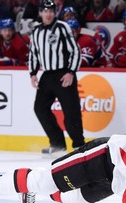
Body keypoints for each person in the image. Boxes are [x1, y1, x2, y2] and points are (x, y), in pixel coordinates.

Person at [28, 0, 85, 155]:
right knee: (40, 108)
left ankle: (79, 144)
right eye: (45, 11)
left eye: (51, 11)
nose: (48, 14)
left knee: (71, 110)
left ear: (55, 13)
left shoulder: (62, 27)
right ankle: (57, 142)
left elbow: (75, 51)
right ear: (40, 13)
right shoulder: (36, 30)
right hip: (46, 75)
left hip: (63, 74)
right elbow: (33, 53)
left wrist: (71, 72)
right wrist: (33, 73)